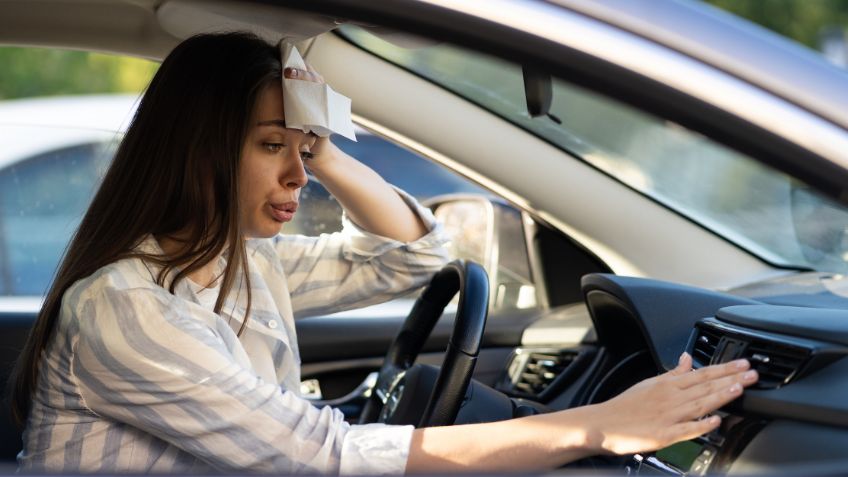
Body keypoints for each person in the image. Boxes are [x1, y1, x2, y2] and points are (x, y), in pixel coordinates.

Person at [9, 32, 758, 474]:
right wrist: (597, 426)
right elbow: (320, 456)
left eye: (303, 150)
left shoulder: (238, 263)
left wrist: (322, 144)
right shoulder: (127, 306)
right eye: (273, 146)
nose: (298, 175)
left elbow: (411, 256)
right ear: (198, 152)